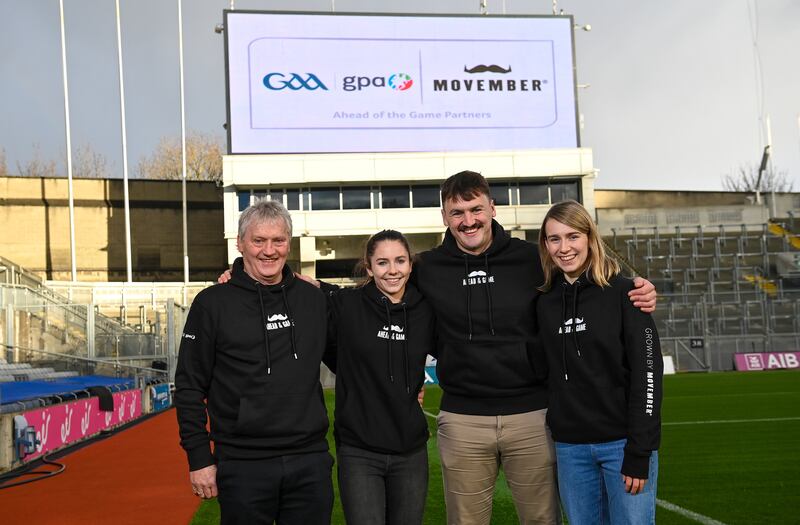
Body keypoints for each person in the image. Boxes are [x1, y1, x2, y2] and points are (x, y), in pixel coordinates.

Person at [411, 171, 657, 524]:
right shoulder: (427, 267)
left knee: (543, 519)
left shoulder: (534, 260)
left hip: (532, 417)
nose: (468, 221)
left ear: (492, 208)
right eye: (457, 212)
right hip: (463, 418)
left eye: (476, 209)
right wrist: (311, 285)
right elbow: (383, 298)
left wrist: (638, 287)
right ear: (444, 217)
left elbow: (587, 279)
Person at [174, 199, 333, 525]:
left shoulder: (313, 300)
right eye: (259, 240)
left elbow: (354, 354)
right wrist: (199, 459)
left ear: (289, 242)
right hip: (243, 464)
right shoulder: (212, 303)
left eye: (278, 240)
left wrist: (410, 377)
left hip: (309, 460)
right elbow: (190, 386)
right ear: (240, 243)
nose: (269, 250)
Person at [536, 200, 663, 525]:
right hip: (570, 450)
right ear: (546, 245)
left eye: (573, 236)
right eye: (554, 239)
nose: (564, 248)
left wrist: (639, 451)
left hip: (622, 447)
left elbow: (648, 377)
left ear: (590, 238)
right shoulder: (545, 303)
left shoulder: (627, 294)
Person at [323, 230, 435, 525]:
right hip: (359, 452)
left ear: (410, 264)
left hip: (410, 451)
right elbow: (301, 285)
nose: (393, 270)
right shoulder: (346, 304)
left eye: (400, 261)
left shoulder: (426, 310)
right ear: (369, 267)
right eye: (382, 263)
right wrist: (240, 269)